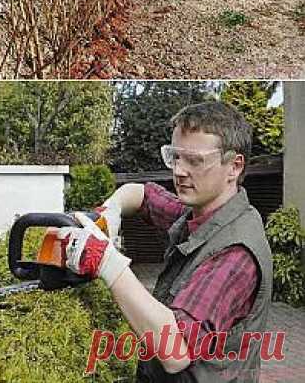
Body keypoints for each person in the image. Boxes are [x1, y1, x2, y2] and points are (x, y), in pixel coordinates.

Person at [57, 99, 273, 380]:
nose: (180, 171)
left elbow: (175, 352)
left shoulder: (235, 253)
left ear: (234, 166)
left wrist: (106, 262)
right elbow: (143, 194)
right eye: (175, 156)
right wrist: (111, 210)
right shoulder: (200, 212)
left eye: (195, 160)